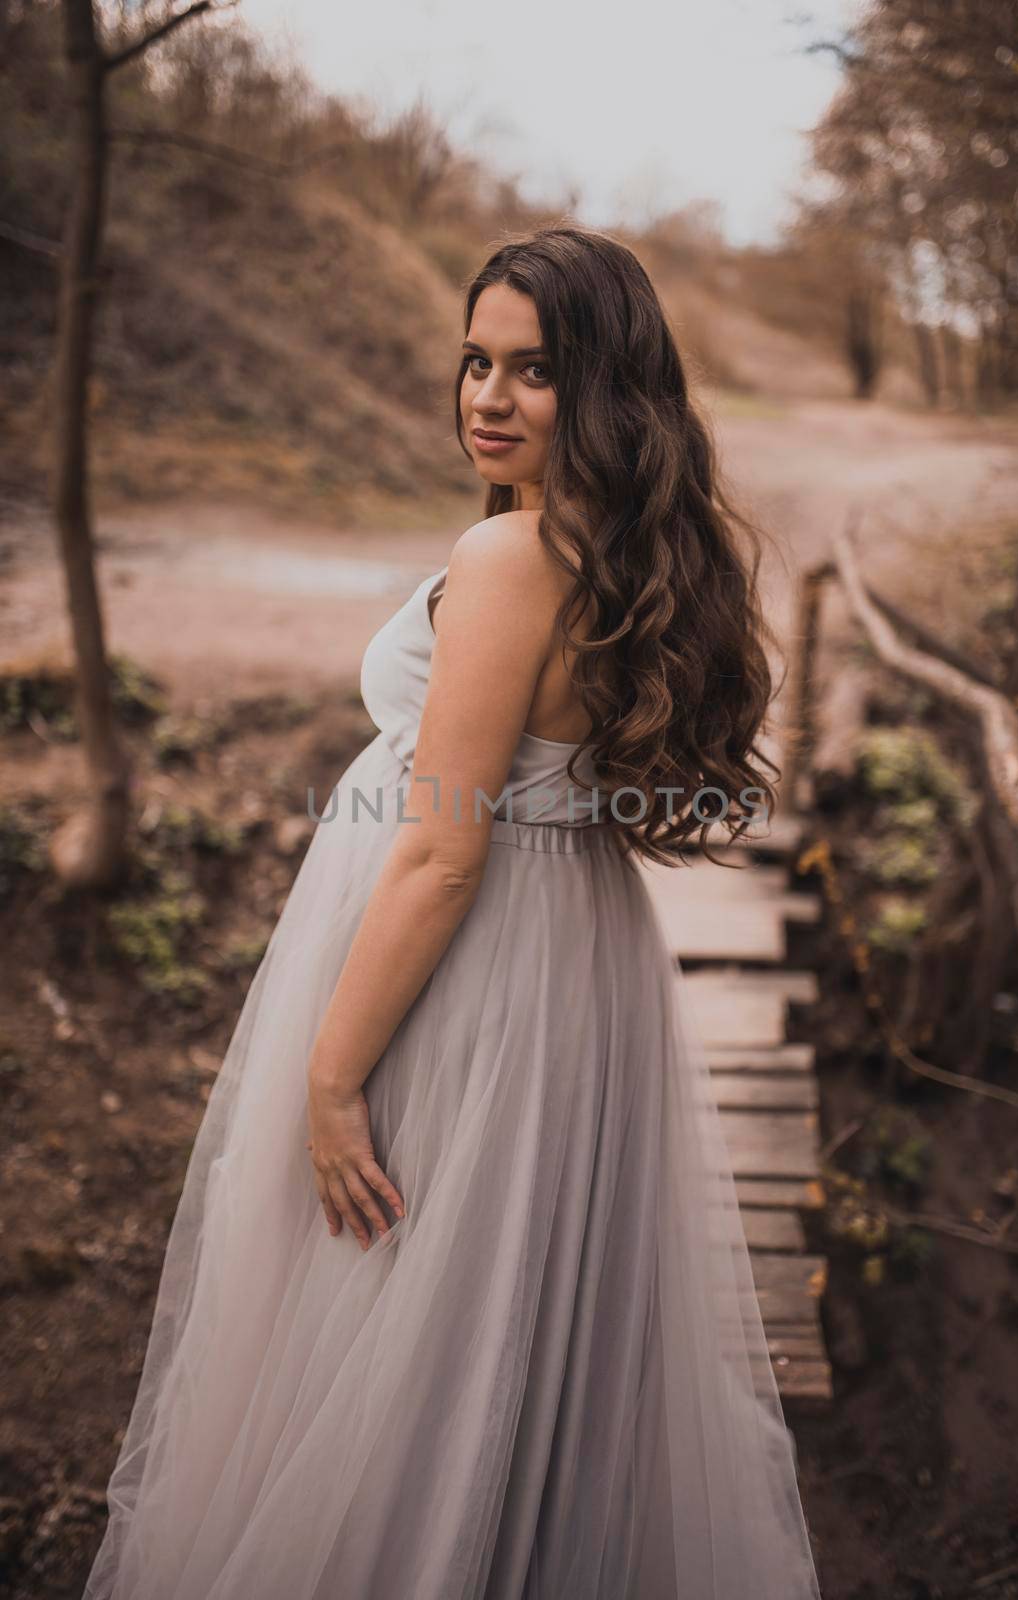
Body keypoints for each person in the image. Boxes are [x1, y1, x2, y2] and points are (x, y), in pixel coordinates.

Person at [82, 224, 822, 1599]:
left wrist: (332, 1070)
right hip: (578, 958)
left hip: (470, 974)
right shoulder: (625, 548)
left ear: (604, 391)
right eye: (474, 362)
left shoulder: (511, 559)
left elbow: (437, 857)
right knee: (524, 1302)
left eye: (532, 372)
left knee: (402, 1304)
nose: (487, 396)